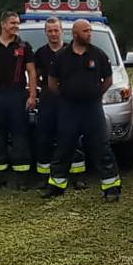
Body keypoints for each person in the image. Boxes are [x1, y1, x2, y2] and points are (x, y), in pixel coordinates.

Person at [45, 19, 123, 201]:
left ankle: (111, 188)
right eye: (86, 31)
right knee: (63, 147)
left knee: (102, 148)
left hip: (92, 109)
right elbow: (52, 83)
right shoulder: (61, 56)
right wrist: (66, 96)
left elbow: (108, 79)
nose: (90, 34)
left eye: (90, 30)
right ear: (75, 34)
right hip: (69, 109)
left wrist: (95, 94)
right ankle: (56, 185)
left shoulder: (98, 55)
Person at [0, 11, 38, 191]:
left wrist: (32, 95)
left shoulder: (24, 46)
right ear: (3, 25)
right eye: (12, 23)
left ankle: (21, 178)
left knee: (20, 135)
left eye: (17, 23)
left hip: (17, 96)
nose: (16, 26)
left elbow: (32, 72)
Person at [31, 17, 81, 186]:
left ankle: (76, 176)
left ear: (62, 31)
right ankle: (44, 176)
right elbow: (35, 76)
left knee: (71, 137)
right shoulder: (40, 53)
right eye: (50, 31)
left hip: (69, 100)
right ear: (46, 32)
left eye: (56, 30)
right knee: (44, 137)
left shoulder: (72, 50)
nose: (53, 34)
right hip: (48, 100)